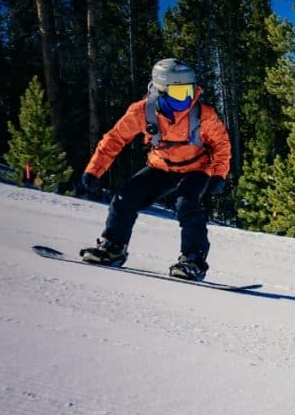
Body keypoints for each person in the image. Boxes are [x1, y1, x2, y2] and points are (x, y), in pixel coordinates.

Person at [79, 58, 231, 280]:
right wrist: (94, 170)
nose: (187, 98)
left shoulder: (203, 114)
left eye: (189, 91)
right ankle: (113, 247)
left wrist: (219, 173)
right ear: (161, 90)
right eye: (179, 93)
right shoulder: (142, 111)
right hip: (161, 166)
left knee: (186, 203)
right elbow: (115, 139)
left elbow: (221, 144)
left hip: (196, 167)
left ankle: (193, 260)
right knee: (126, 196)